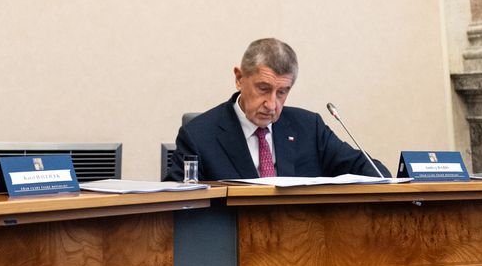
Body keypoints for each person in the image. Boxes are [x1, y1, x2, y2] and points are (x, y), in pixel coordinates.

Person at [166, 38, 389, 181]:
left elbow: (371, 170)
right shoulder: (198, 136)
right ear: (239, 78)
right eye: (263, 89)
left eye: (282, 92)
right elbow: (176, 209)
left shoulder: (309, 128)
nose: (272, 104)